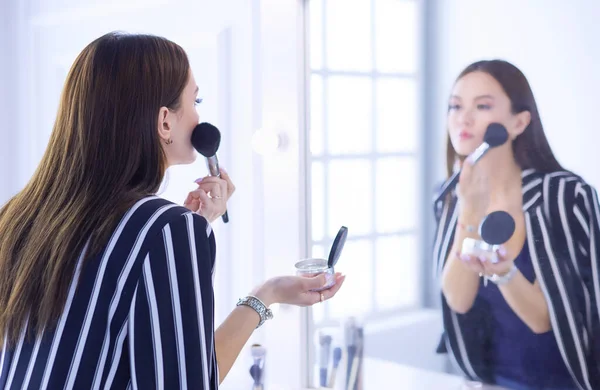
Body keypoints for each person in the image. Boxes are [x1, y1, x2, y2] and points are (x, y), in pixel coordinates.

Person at [0, 31, 345, 389]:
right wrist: (180, 235)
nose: (199, 116)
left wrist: (266, 292)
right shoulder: (167, 231)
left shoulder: (19, 219)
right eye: (195, 101)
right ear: (165, 121)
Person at [432, 59, 600, 390]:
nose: (463, 118)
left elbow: (544, 319)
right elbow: (458, 300)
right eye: (455, 106)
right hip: (487, 382)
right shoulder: (451, 196)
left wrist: (503, 271)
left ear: (519, 122)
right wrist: (470, 210)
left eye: (482, 106)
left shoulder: (566, 196)